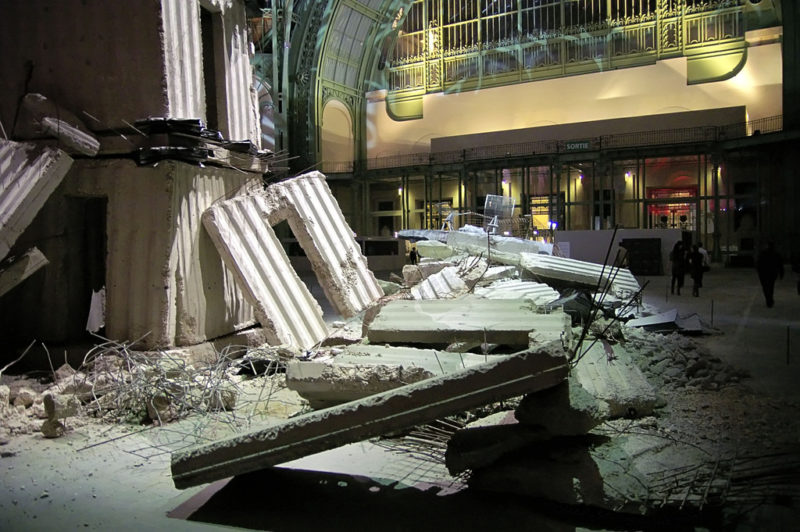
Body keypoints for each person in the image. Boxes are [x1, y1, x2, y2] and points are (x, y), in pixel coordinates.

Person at [756, 241, 784, 307]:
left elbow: (758, 264)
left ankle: (768, 299)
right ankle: (770, 299)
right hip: (772, 273)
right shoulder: (776, 254)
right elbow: (780, 265)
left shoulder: (763, 253)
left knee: (765, 287)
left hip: (764, 274)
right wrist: (781, 274)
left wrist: (759, 272)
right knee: (771, 287)